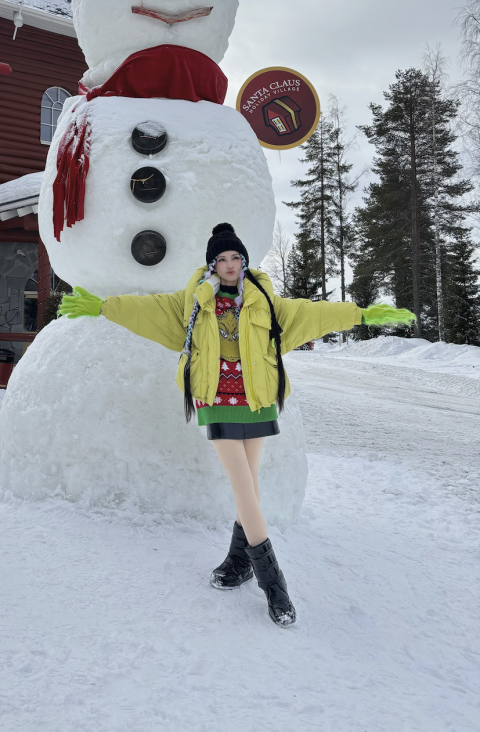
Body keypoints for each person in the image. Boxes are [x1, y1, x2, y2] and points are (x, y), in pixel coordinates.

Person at [58, 222, 415, 627]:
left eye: (235, 258)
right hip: (216, 401)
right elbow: (147, 309)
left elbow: (312, 312)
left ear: (243, 261)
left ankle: (238, 562)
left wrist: (360, 313)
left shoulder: (264, 300)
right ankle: (273, 584)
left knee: (250, 486)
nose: (229, 265)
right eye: (221, 259)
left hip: (257, 401)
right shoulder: (193, 302)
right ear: (212, 264)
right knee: (244, 486)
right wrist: (104, 306)